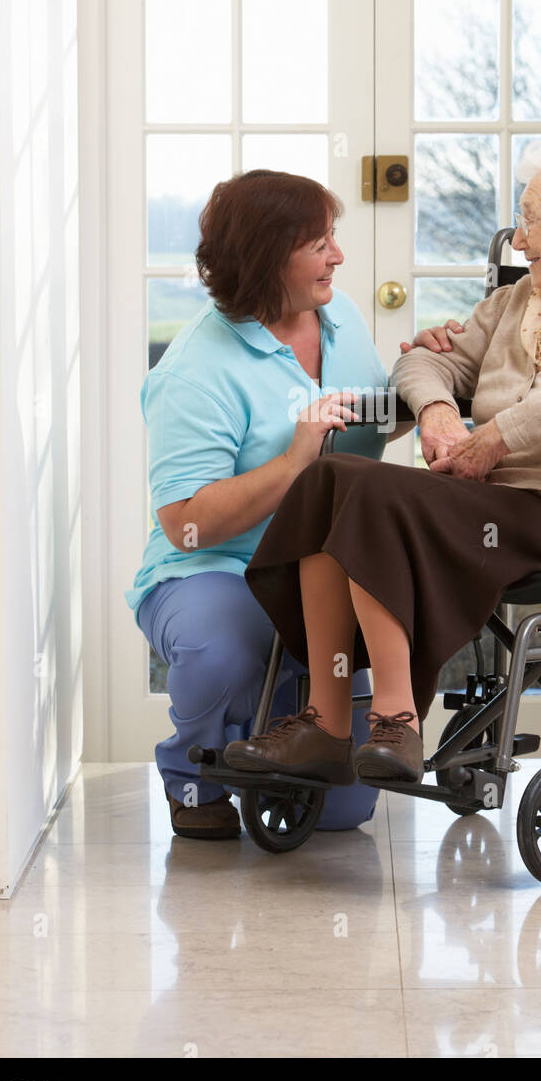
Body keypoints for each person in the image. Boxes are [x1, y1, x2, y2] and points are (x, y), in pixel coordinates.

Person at [227, 135, 541, 785]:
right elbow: (423, 360)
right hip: (495, 502)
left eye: (532, 219)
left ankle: (396, 721)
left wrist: (498, 435)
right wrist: (440, 411)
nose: (519, 240)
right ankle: (326, 724)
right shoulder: (513, 303)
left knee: (375, 493)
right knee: (330, 478)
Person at [126, 169, 395, 839]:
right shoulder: (195, 369)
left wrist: (434, 387)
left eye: (334, 238)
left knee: (344, 810)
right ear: (267, 258)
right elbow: (186, 524)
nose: (338, 256)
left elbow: (373, 420)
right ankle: (195, 773)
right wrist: (291, 461)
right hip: (218, 571)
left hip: (327, 564)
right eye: (319, 244)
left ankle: (276, 721)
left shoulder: (343, 319)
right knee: (226, 648)